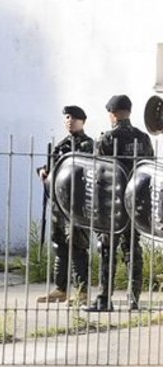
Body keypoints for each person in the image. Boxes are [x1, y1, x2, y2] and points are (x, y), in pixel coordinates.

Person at [84, 95, 154, 313]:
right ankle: (134, 299)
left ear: (113, 114)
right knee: (132, 248)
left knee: (107, 249)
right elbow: (148, 170)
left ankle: (105, 299)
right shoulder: (143, 139)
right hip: (136, 203)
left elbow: (97, 175)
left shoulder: (106, 139)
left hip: (111, 205)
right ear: (129, 112)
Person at [36, 105, 93, 304]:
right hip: (58, 204)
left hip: (76, 205)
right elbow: (54, 169)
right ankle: (60, 288)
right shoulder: (61, 145)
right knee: (60, 245)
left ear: (83, 121)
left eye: (74, 118)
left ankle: (82, 292)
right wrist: (44, 172)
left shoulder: (87, 145)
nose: (70, 121)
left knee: (77, 246)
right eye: (67, 117)